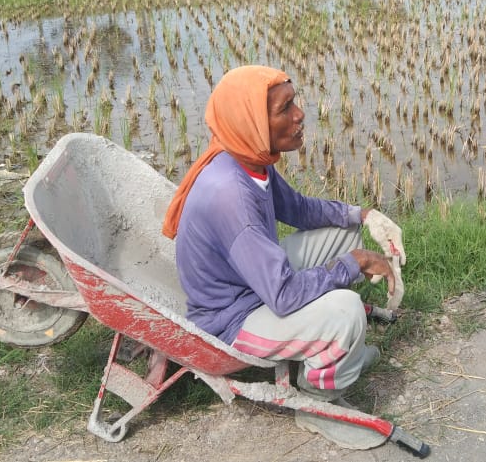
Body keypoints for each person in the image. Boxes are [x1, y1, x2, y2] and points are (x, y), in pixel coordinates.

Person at [162, 65, 406, 448]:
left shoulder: (247, 158)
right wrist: (354, 263)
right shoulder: (231, 195)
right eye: (285, 108)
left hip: (255, 283)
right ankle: (316, 397)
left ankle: (336, 353)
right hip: (232, 318)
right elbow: (284, 295)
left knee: (343, 234)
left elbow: (298, 209)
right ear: (254, 122)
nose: (300, 115)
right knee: (346, 311)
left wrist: (364, 215)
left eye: (295, 102)